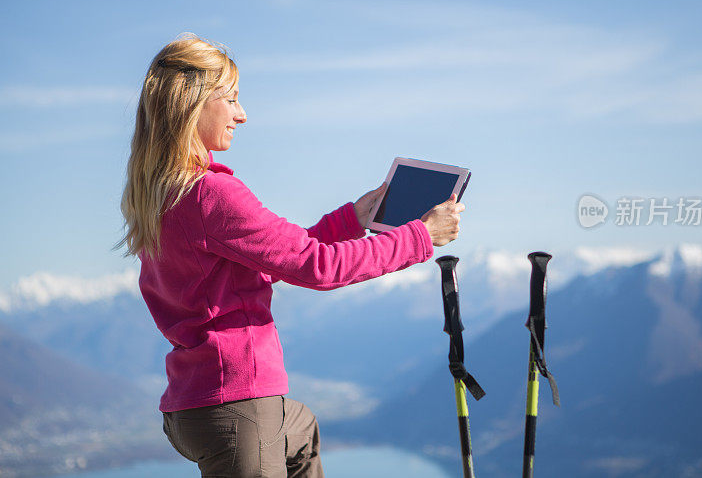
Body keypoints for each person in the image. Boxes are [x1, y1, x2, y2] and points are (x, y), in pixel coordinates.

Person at [115, 33, 464, 478]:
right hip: (237, 407)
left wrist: (352, 218)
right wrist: (421, 236)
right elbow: (318, 267)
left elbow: (279, 254)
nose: (242, 115)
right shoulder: (210, 195)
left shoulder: (162, 194)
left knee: (302, 430)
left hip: (195, 405)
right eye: (232, 99)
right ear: (192, 104)